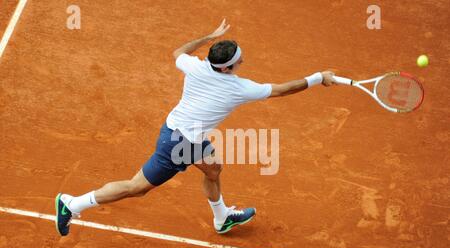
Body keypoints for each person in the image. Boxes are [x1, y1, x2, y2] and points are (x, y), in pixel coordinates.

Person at [55, 19, 337, 236]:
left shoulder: (195, 66)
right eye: (239, 60)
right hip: (178, 144)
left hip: (181, 132)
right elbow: (282, 90)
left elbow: (178, 51)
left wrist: (209, 38)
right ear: (226, 69)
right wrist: (318, 77)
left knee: (213, 168)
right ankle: (73, 204)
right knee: (136, 187)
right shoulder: (239, 88)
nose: (243, 62)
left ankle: (221, 217)